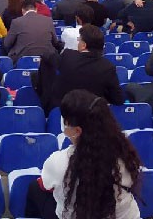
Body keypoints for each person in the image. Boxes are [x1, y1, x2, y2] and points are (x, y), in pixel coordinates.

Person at [28, 89, 142, 219]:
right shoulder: (126, 153)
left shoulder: (59, 162)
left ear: (77, 130)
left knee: (35, 188)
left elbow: (45, 185)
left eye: (65, 121)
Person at [39, 25, 124, 112]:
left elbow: (48, 55)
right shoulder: (108, 67)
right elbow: (118, 100)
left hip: (64, 113)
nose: (78, 43)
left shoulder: (68, 56)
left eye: (79, 40)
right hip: (92, 115)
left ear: (83, 45)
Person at [4, 0, 63, 64]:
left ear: (22, 10)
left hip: (23, 59)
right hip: (47, 58)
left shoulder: (16, 22)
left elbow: (7, 44)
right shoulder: (48, 20)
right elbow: (55, 41)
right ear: (36, 9)